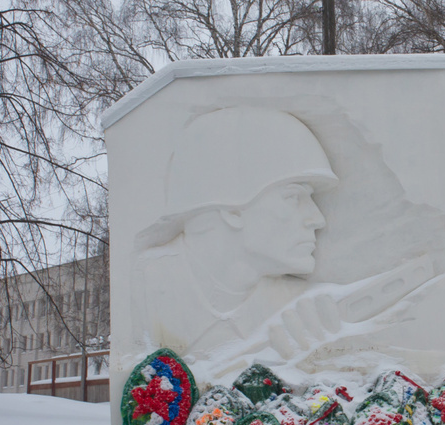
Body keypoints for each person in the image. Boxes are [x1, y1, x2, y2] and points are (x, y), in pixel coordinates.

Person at [132, 107, 339, 353]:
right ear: (231, 210)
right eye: (293, 197)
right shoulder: (141, 288)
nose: (317, 219)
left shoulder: (306, 309)